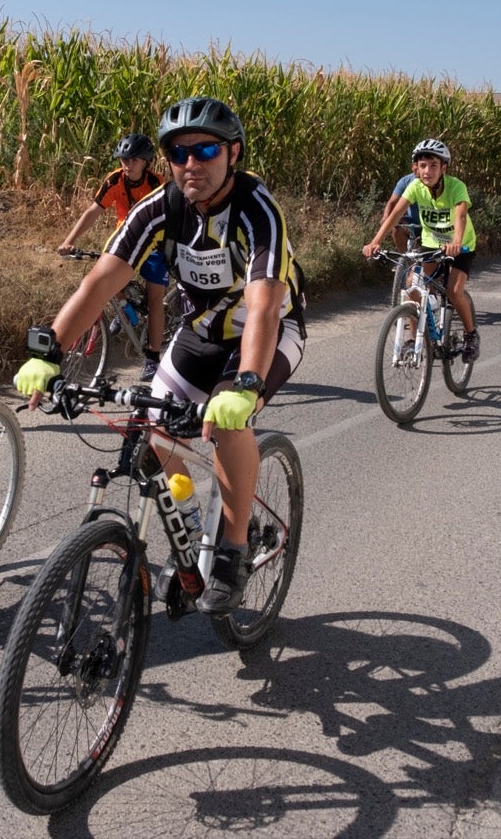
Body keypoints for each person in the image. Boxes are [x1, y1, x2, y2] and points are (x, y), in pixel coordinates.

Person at [15, 97, 304, 614]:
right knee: (153, 422)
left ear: (233, 152)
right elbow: (99, 282)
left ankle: (233, 552)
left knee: (229, 423)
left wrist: (247, 384)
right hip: (199, 333)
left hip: (268, 332)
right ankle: (191, 519)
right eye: (177, 152)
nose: (190, 163)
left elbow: (262, 307)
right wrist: (51, 351)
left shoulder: (258, 210)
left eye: (206, 150)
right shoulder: (160, 208)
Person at [59, 133, 168, 381]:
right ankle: (126, 312)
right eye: (123, 160)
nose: (126, 165)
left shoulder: (156, 183)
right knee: (104, 279)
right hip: (127, 243)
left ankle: (153, 357)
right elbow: (93, 211)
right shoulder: (114, 181)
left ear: (146, 161)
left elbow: (168, 217)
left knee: (154, 300)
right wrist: (69, 240)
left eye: (132, 160)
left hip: (155, 245)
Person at [364, 138, 481, 361]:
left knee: (454, 291)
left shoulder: (456, 186)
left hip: (461, 246)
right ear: (416, 168)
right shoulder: (416, 186)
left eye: (434, 165)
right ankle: (412, 337)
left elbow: (461, 214)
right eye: (423, 166)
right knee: (413, 286)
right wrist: (376, 240)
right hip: (431, 243)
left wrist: (456, 241)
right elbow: (395, 214)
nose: (428, 171)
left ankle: (471, 335)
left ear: (443, 168)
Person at [381, 169, 424, 251]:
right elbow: (392, 202)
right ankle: (404, 258)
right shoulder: (405, 182)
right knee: (397, 228)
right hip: (414, 222)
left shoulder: (436, 182)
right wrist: (386, 217)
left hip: (433, 224)